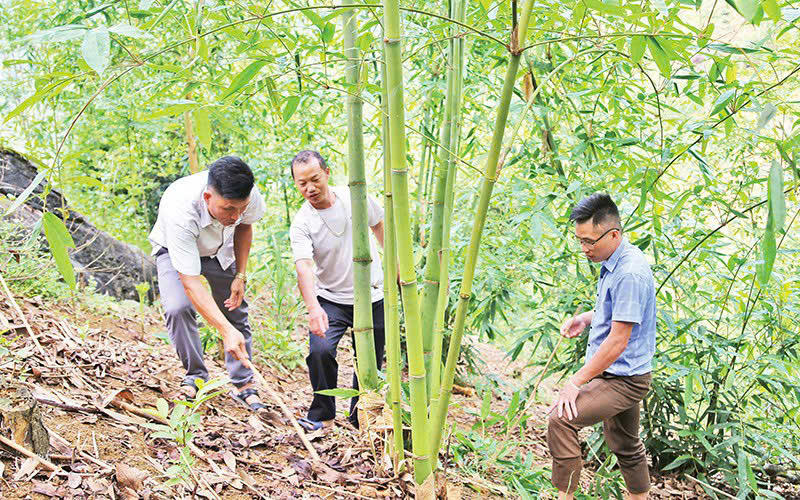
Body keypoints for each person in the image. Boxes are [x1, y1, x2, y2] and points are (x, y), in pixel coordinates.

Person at [547, 193, 656, 499]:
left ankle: (563, 495)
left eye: (589, 241)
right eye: (579, 241)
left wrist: (575, 382)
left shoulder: (629, 272)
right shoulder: (616, 260)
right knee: (626, 444)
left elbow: (618, 341)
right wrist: (586, 318)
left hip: (624, 379)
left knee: (560, 419)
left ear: (613, 234)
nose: (584, 249)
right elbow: (621, 314)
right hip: (621, 371)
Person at [148, 156, 267, 410]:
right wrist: (225, 332)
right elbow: (191, 283)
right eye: (228, 209)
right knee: (177, 309)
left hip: (221, 249)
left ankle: (244, 383)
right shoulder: (180, 209)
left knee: (235, 308)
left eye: (240, 208)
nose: (235, 216)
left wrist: (240, 275)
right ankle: (195, 376)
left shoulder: (247, 195)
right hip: (175, 250)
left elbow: (244, 227)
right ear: (207, 198)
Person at [288, 150, 385, 430]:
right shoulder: (302, 222)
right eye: (301, 183)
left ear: (327, 173)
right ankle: (322, 415)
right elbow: (304, 266)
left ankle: (360, 417)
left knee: (370, 361)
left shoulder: (354, 197)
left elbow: (379, 223)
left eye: (315, 179)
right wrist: (313, 308)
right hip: (331, 298)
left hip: (372, 295)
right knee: (319, 351)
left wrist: (397, 263)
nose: (310, 188)